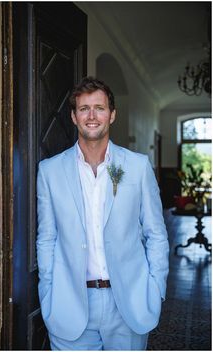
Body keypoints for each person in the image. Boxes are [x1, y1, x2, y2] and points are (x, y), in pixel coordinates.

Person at [36, 76, 169, 350]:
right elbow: (46, 238)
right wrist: (47, 293)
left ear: (112, 114)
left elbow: (156, 233)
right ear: (73, 117)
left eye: (100, 107)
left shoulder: (138, 167)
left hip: (129, 303)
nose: (92, 116)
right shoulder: (49, 172)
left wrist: (156, 291)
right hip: (70, 302)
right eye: (84, 108)